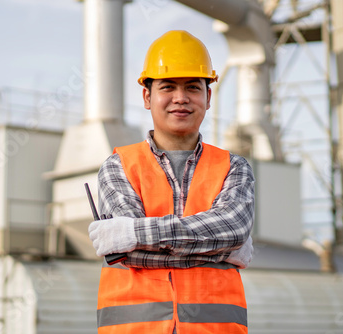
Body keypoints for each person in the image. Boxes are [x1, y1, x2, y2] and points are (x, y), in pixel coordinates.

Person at [89, 30, 255, 334]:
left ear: (208, 96)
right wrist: (220, 250)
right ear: (147, 96)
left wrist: (132, 233)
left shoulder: (234, 167)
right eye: (168, 86)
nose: (181, 98)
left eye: (193, 86)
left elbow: (234, 229)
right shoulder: (119, 166)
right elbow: (126, 253)